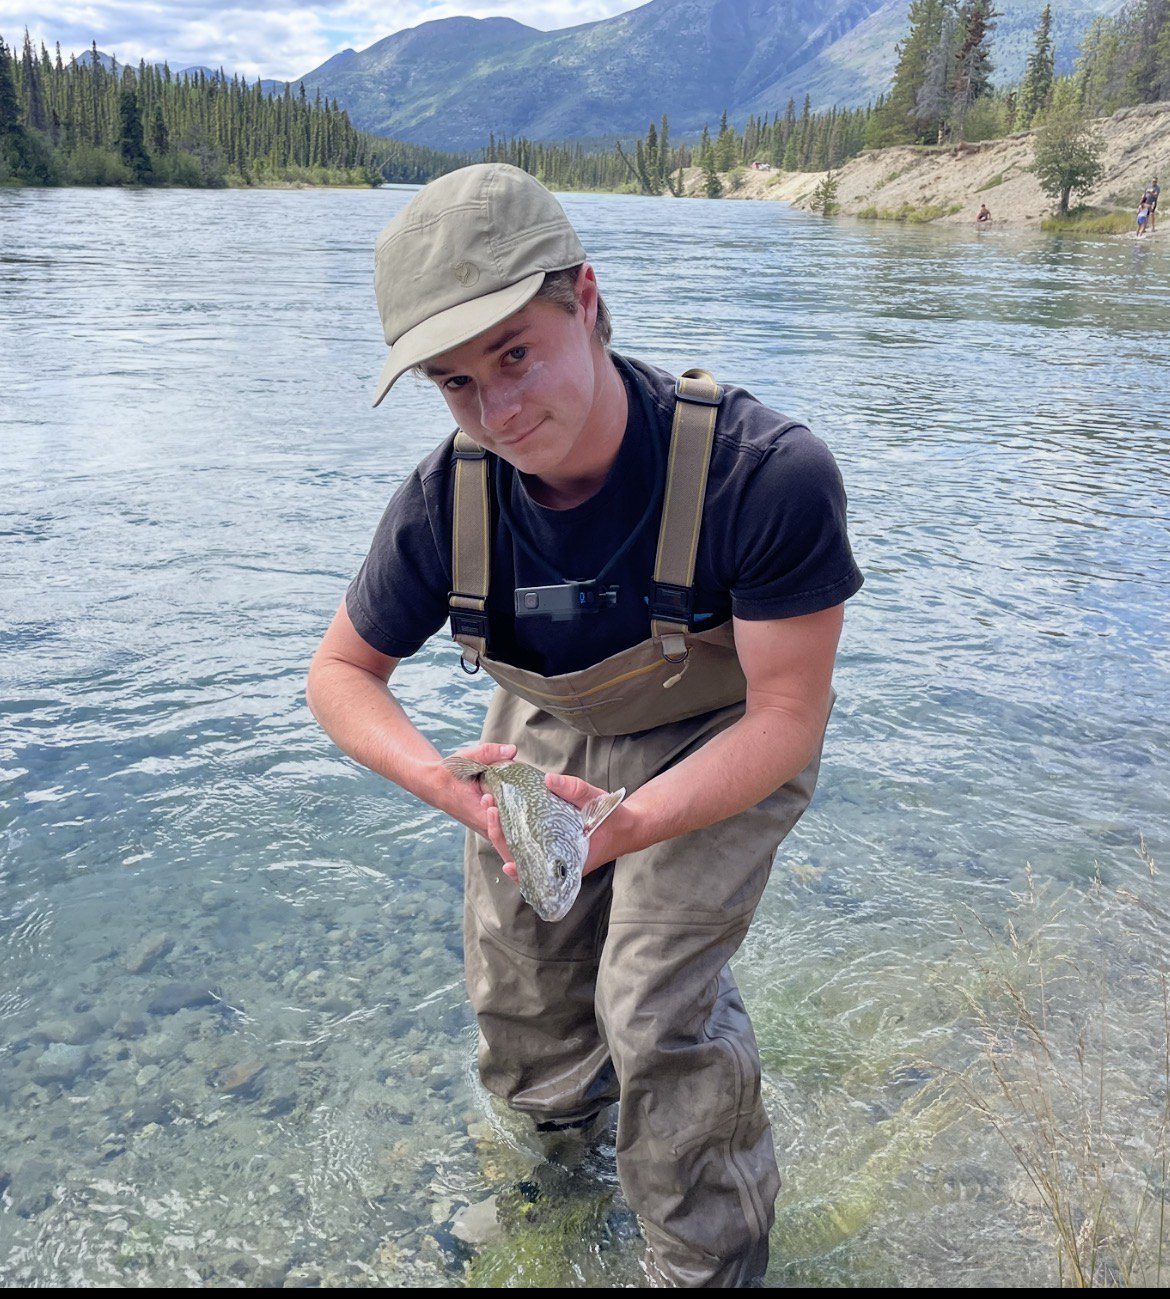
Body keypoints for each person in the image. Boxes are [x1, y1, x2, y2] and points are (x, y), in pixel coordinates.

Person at [305, 163, 863, 1287]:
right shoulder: (440, 506)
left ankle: (704, 1263)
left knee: (653, 1006)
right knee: (523, 1002)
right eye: (456, 383)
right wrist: (444, 783)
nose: (499, 410)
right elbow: (339, 674)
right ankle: (556, 1187)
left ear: (588, 299)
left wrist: (624, 825)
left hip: (725, 733)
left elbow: (791, 717)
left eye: (516, 353)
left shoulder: (766, 475)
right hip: (546, 732)